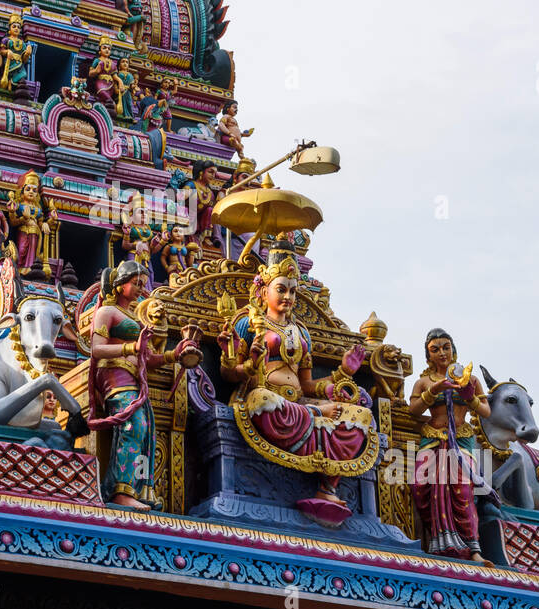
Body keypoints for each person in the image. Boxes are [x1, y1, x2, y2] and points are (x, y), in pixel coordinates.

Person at [218, 241, 370, 511]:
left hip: (299, 405)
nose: (287, 296)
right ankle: (316, 416)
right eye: (281, 289)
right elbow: (228, 372)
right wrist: (249, 367)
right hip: (266, 399)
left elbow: (308, 384)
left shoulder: (302, 333)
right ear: (264, 291)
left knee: (360, 417)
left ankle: (327, 488)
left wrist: (344, 372)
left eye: (292, 291)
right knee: (263, 401)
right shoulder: (248, 322)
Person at [88, 261, 199, 511]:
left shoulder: (135, 316)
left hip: (135, 379)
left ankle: (136, 490)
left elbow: (146, 359)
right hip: (114, 376)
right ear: (120, 284)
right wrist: (131, 347)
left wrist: (174, 355)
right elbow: (96, 349)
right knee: (133, 425)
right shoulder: (107, 312)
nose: (140, 288)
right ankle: (120, 491)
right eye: (135, 283)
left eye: (142, 284)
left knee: (145, 430)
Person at [407, 328, 493, 564]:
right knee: (420, 485)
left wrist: (470, 397)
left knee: (463, 490)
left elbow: (485, 411)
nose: (442, 353)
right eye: (435, 349)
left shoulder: (470, 379)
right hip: (432, 437)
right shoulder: (423, 382)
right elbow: (413, 411)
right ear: (428, 356)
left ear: (453, 351)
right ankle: (435, 542)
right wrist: (432, 391)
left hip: (461, 440)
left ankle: (473, 549)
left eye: (446, 347)